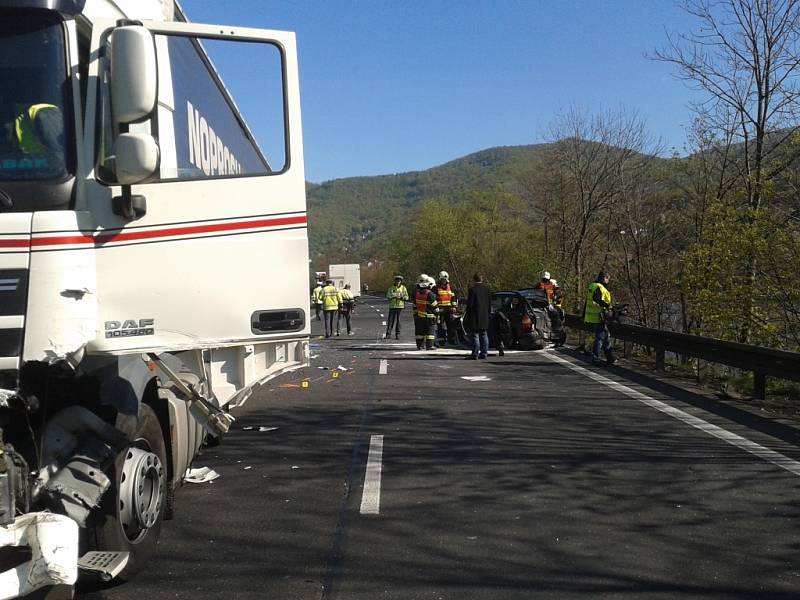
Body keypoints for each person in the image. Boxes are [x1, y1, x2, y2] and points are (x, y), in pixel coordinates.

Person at [584, 270, 615, 364]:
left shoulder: (592, 285)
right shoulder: (600, 287)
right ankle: (595, 356)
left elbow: (588, 301)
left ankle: (610, 358)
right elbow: (596, 299)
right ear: (604, 278)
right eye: (608, 279)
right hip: (599, 317)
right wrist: (607, 305)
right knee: (600, 338)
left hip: (591, 316)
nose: (608, 281)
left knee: (605, 337)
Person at [464, 273, 491, 359]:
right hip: (484, 315)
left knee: (475, 334)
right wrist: (488, 313)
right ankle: (484, 353)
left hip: (475, 315)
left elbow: (470, 304)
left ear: (474, 280)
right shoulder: (487, 289)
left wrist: (467, 313)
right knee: (484, 333)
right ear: (482, 279)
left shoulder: (473, 290)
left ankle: (475, 353)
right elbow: (489, 303)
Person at [413, 274, 438, 350]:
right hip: (429, 317)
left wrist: (415, 314)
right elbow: (435, 307)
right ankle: (429, 346)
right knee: (430, 331)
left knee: (419, 332)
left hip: (419, 316)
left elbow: (414, 305)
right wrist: (437, 314)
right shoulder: (430, 294)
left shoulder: (416, 293)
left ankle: (420, 345)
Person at [433, 270, 457, 347]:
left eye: (445, 280)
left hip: (449, 310)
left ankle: (451, 340)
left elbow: (453, 297)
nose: (444, 281)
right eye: (443, 280)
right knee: (440, 326)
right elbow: (433, 299)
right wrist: (436, 308)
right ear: (440, 279)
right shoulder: (436, 288)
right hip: (440, 310)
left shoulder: (450, 286)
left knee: (451, 325)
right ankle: (441, 341)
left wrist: (454, 306)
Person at [385, 275, 409, 339]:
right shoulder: (391, 288)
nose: (398, 282)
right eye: (397, 281)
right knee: (390, 321)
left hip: (400, 306)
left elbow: (407, 297)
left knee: (399, 321)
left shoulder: (403, 288)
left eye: (399, 281)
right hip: (392, 306)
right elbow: (388, 296)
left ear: (401, 281)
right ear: (395, 281)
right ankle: (388, 334)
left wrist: (402, 297)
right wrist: (394, 296)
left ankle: (397, 334)